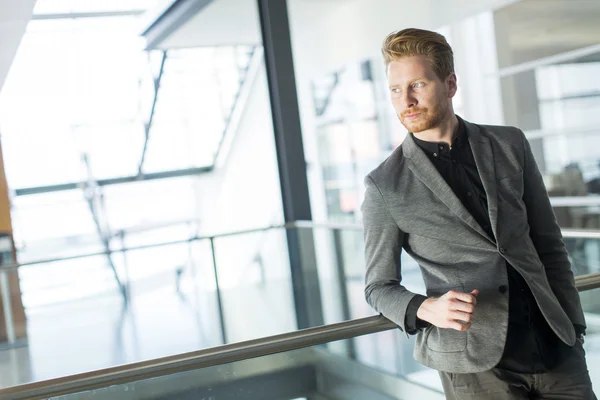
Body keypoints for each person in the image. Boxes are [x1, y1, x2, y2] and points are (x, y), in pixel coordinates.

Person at [361, 28, 596, 399]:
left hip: (557, 350)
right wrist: (425, 309)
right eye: (395, 89)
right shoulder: (385, 185)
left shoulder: (510, 144)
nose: (405, 100)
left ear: (450, 83)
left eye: (417, 84)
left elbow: (548, 243)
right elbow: (377, 287)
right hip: (474, 368)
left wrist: (574, 325)